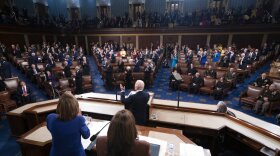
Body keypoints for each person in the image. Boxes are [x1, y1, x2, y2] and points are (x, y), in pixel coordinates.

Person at [47, 92, 90, 156]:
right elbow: (86, 135)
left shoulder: (50, 118)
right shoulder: (79, 120)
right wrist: (79, 115)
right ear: (76, 107)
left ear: (59, 106)